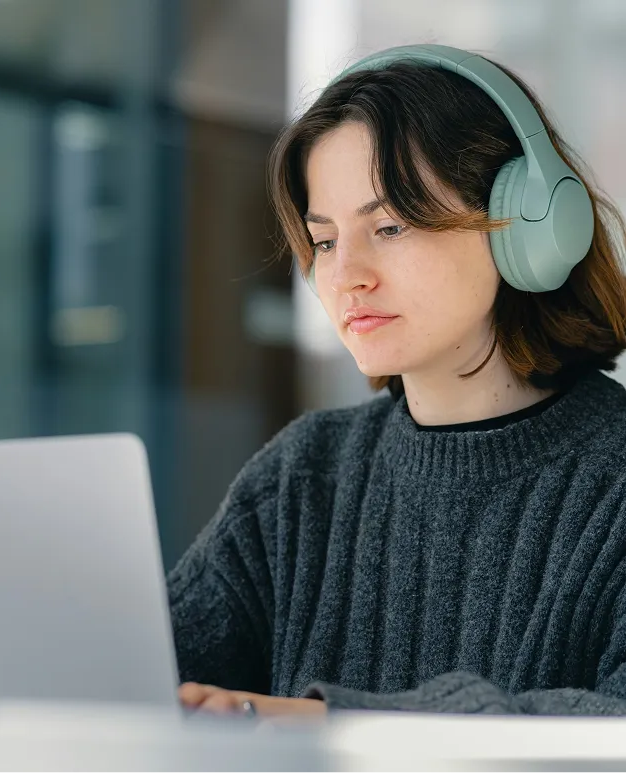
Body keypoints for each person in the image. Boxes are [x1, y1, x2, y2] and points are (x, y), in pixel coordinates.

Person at [169, 43, 626, 719]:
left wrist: (330, 726)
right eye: (324, 240)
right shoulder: (303, 475)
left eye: (388, 225)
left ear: (529, 226)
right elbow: (144, 673)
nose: (345, 273)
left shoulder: (611, 483)